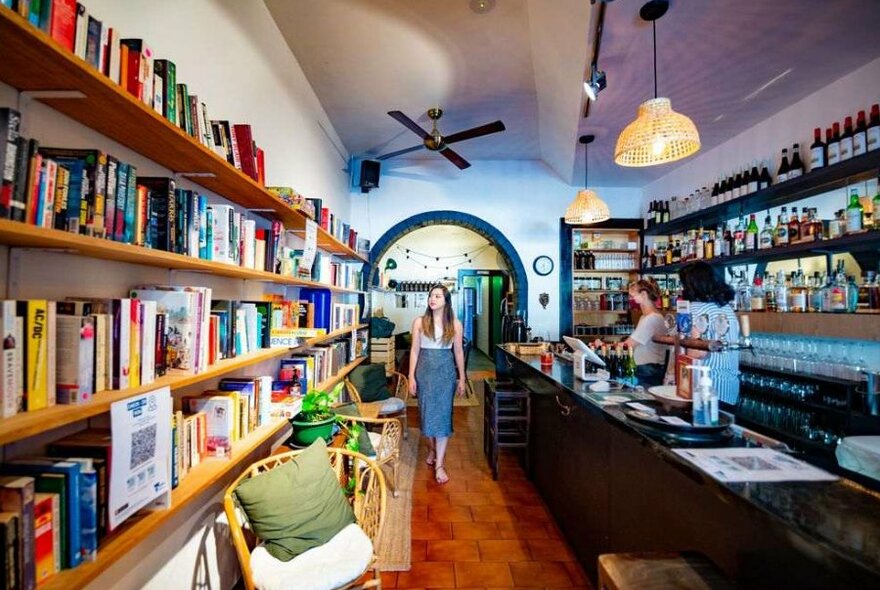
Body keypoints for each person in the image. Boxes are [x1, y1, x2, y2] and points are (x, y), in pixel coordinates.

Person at [408, 284, 466, 484]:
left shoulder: (456, 325)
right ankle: (432, 449)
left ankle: (439, 464)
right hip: (424, 373)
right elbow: (414, 351)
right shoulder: (419, 322)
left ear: (446, 301)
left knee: (442, 416)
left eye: (438, 296)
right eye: (431, 295)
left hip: (446, 373)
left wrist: (462, 378)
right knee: (427, 416)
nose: (433, 299)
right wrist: (411, 376)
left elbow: (458, 352)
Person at [670, 261, 740, 404]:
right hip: (728, 386)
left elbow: (697, 353)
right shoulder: (726, 308)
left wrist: (672, 373)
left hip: (702, 387)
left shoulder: (693, 309)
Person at [623, 278, 668, 386]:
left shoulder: (651, 318)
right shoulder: (645, 317)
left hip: (649, 370)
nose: (631, 299)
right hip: (645, 368)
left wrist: (603, 346)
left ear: (643, 295)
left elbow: (629, 345)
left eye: (633, 296)